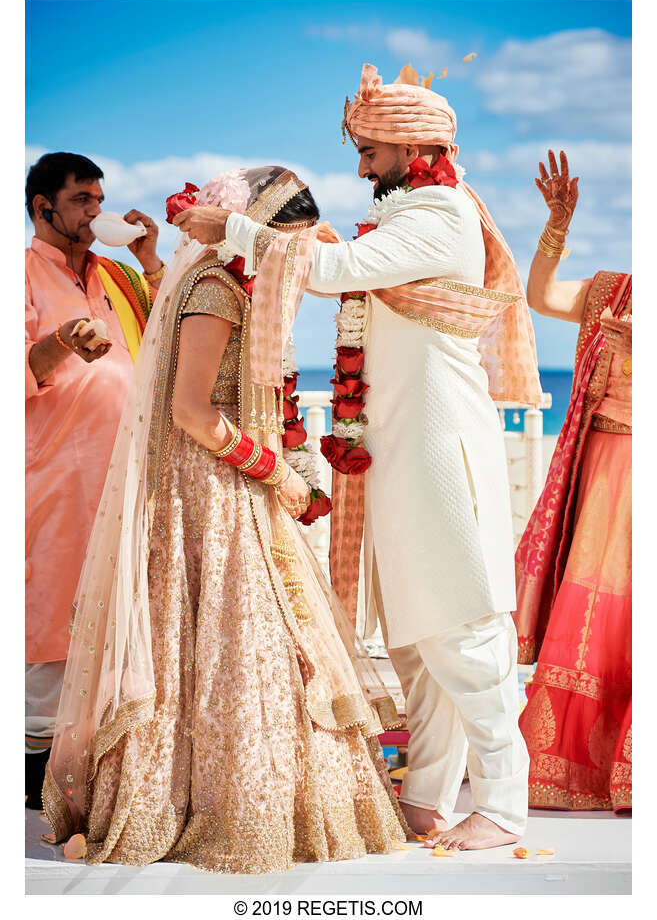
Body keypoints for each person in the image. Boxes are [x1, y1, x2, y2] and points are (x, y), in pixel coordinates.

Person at [173, 64, 544, 851]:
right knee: (415, 633)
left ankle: (507, 804)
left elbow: (330, 272)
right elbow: (342, 262)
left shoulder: (440, 212)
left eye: (370, 151)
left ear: (414, 147)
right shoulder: (409, 211)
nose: (359, 167)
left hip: (439, 447)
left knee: (461, 628)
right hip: (401, 448)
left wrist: (235, 231)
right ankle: (428, 798)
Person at [43, 167, 407, 873]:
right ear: (257, 235)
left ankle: (272, 796)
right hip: (209, 490)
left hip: (234, 478)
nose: (292, 267)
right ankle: (220, 803)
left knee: (257, 648)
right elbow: (189, 411)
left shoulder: (243, 289)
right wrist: (274, 471)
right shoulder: (215, 290)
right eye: (288, 248)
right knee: (232, 646)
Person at [25, 152, 164, 807]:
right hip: (56, 477)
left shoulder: (116, 274)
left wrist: (153, 259)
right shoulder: (21, 274)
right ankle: (35, 783)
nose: (93, 211)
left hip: (129, 473)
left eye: (97, 199)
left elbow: (174, 334)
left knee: (125, 611)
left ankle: (107, 765)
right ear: (42, 207)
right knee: (54, 624)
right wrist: (62, 340)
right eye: (81, 200)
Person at [514, 150, 631, 812]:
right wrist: (554, 229)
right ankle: (575, 767)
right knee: (591, 612)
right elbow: (540, 298)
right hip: (599, 469)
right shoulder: (608, 289)